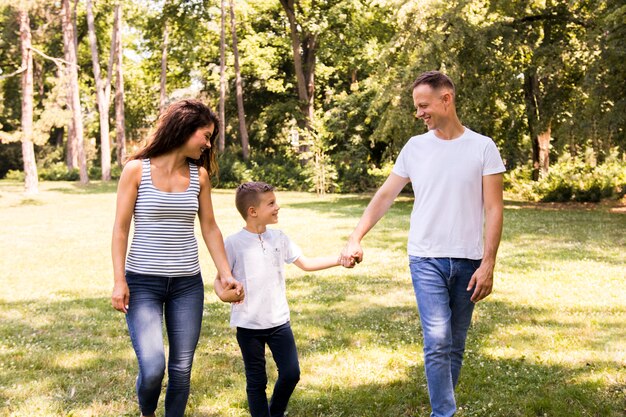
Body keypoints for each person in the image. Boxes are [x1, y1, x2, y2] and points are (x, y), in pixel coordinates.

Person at [340, 70, 505, 417]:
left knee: (455, 345)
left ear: (447, 99)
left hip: (468, 261)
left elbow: (494, 208)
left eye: (423, 105)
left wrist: (488, 264)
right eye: (417, 107)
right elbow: (386, 195)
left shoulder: (482, 147)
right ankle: (443, 413)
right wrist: (356, 235)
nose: (419, 114)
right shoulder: (415, 148)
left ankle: (442, 409)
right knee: (438, 341)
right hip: (425, 259)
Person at [111, 99, 243, 417]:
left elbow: (210, 227)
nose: (208, 144)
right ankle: (147, 412)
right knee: (154, 366)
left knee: (182, 369)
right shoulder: (136, 171)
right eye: (206, 135)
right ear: (185, 129)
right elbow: (120, 229)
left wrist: (224, 272)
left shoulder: (199, 177)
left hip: (187, 284)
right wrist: (119, 280)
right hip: (142, 283)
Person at [214, 181, 345, 417]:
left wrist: (339, 259)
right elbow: (219, 280)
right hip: (248, 325)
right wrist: (225, 294)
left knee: (291, 373)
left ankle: (275, 412)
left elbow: (306, 263)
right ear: (252, 211)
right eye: (271, 203)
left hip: (278, 322)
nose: (277, 207)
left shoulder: (279, 238)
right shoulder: (234, 243)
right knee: (256, 381)